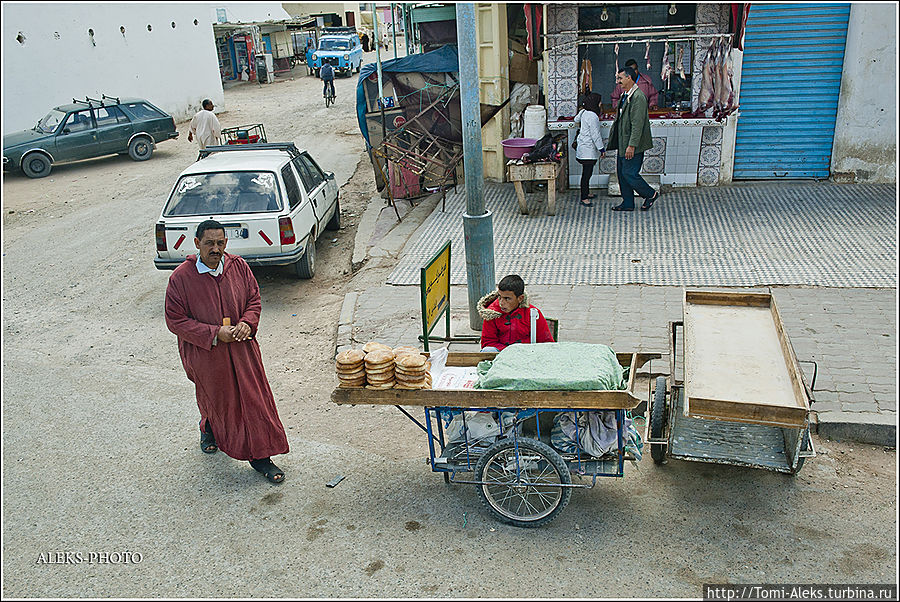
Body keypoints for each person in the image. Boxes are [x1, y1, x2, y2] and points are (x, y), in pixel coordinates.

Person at [165, 220, 290, 484]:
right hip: (206, 354)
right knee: (217, 400)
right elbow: (175, 320)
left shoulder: (238, 267)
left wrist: (247, 322)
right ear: (197, 243)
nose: (216, 248)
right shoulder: (181, 278)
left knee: (254, 400)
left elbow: (254, 299)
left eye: (220, 243)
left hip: (243, 349)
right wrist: (213, 334)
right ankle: (208, 429)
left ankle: (261, 458)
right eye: (209, 243)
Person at [607, 66, 660, 212]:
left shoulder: (638, 97)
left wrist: (632, 145)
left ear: (629, 78)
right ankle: (628, 202)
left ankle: (650, 194)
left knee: (629, 173)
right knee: (621, 173)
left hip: (631, 145)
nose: (618, 82)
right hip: (622, 143)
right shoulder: (625, 95)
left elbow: (637, 124)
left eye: (620, 78)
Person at [477, 275, 555, 352]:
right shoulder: (491, 313)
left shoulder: (533, 313)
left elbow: (547, 343)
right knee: (487, 350)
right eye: (500, 297)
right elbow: (488, 343)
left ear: (520, 298)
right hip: (501, 354)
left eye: (507, 298)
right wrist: (509, 351)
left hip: (527, 354)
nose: (501, 303)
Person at [573, 92, 606, 207]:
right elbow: (595, 135)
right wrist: (601, 149)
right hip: (587, 150)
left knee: (586, 173)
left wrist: (582, 111)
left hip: (583, 148)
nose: (601, 104)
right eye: (599, 102)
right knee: (587, 174)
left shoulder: (584, 112)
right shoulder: (592, 116)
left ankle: (586, 193)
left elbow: (575, 119)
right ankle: (584, 197)